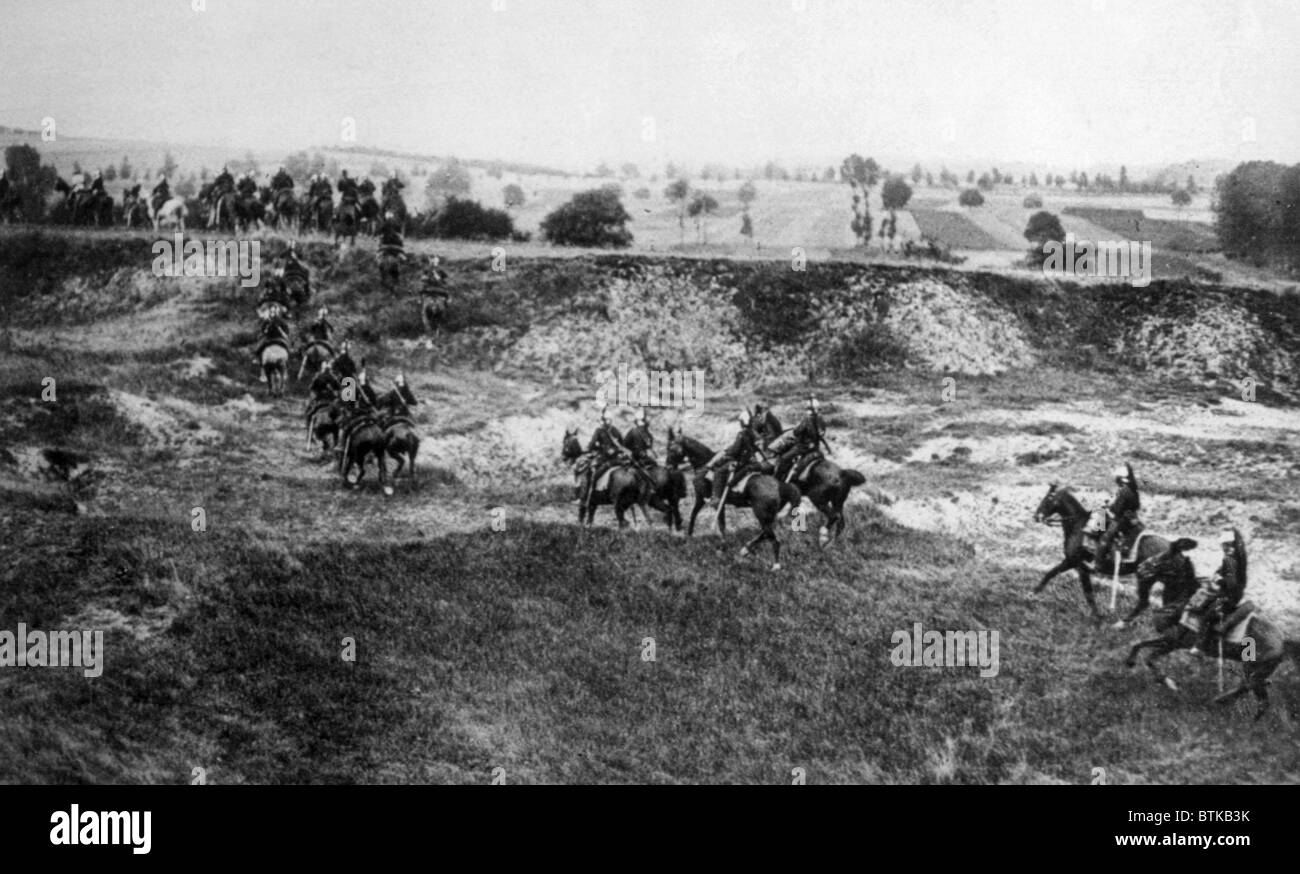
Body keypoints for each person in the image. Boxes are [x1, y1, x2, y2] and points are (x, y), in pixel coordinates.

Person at [1186, 530, 1248, 657]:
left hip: (1228, 596)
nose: (1223, 547)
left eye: (1224, 544)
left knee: (1208, 615)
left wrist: (1219, 580)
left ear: (1227, 544)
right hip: (1234, 594)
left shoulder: (1229, 559)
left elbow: (1231, 583)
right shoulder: (1237, 556)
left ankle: (1200, 647)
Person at [707, 409, 760, 509]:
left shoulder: (741, 434)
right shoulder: (753, 432)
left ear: (742, 422)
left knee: (719, 471)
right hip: (750, 460)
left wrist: (727, 453)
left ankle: (716, 498)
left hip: (741, 462)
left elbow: (735, 450)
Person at [1095, 463, 1141, 570]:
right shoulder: (1133, 489)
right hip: (1132, 517)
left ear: (1120, 479)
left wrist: (1107, 507)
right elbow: (1136, 505)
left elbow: (1117, 509)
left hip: (1122, 519)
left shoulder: (1123, 490)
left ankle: (1098, 563)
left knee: (1105, 536)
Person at [768, 397, 824, 481]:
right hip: (815, 447)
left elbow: (796, 432)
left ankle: (776, 480)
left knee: (783, 459)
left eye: (808, 408)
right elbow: (822, 432)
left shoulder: (807, 419)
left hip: (803, 447)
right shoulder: (821, 419)